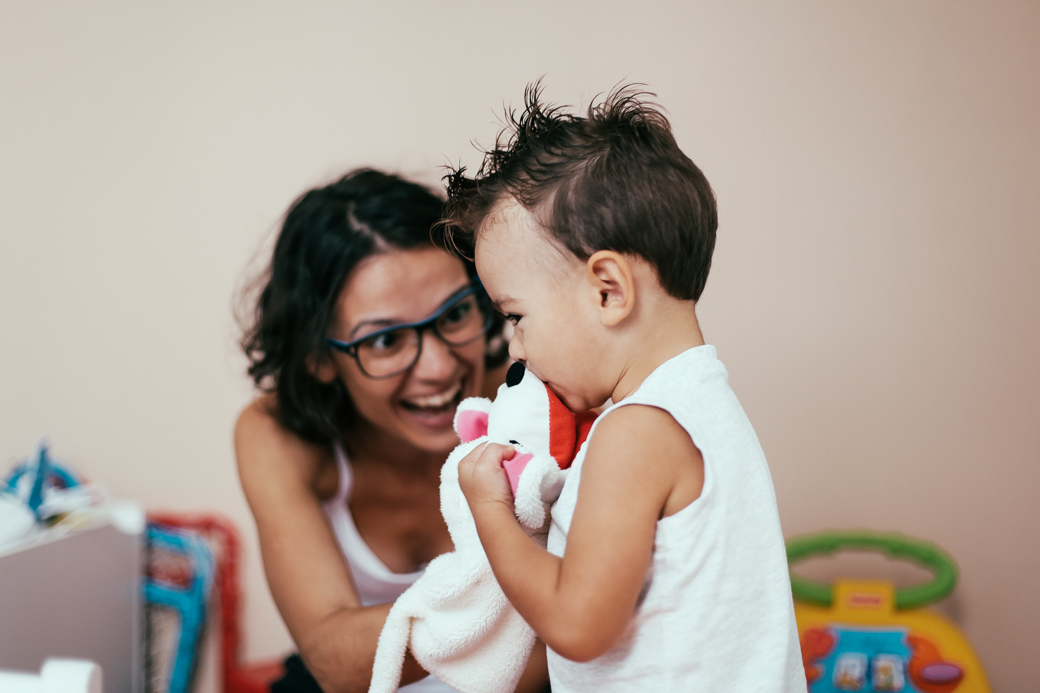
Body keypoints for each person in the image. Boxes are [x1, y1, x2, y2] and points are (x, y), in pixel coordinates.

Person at [445, 87, 807, 691]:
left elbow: (579, 625)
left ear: (607, 290)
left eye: (515, 316)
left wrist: (490, 511)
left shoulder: (635, 432)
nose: (515, 348)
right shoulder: (705, 406)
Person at [235, 169, 548, 693]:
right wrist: (538, 599)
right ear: (319, 358)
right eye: (384, 341)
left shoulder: (532, 399)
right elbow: (334, 659)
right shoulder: (277, 436)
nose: (438, 368)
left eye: (453, 315)